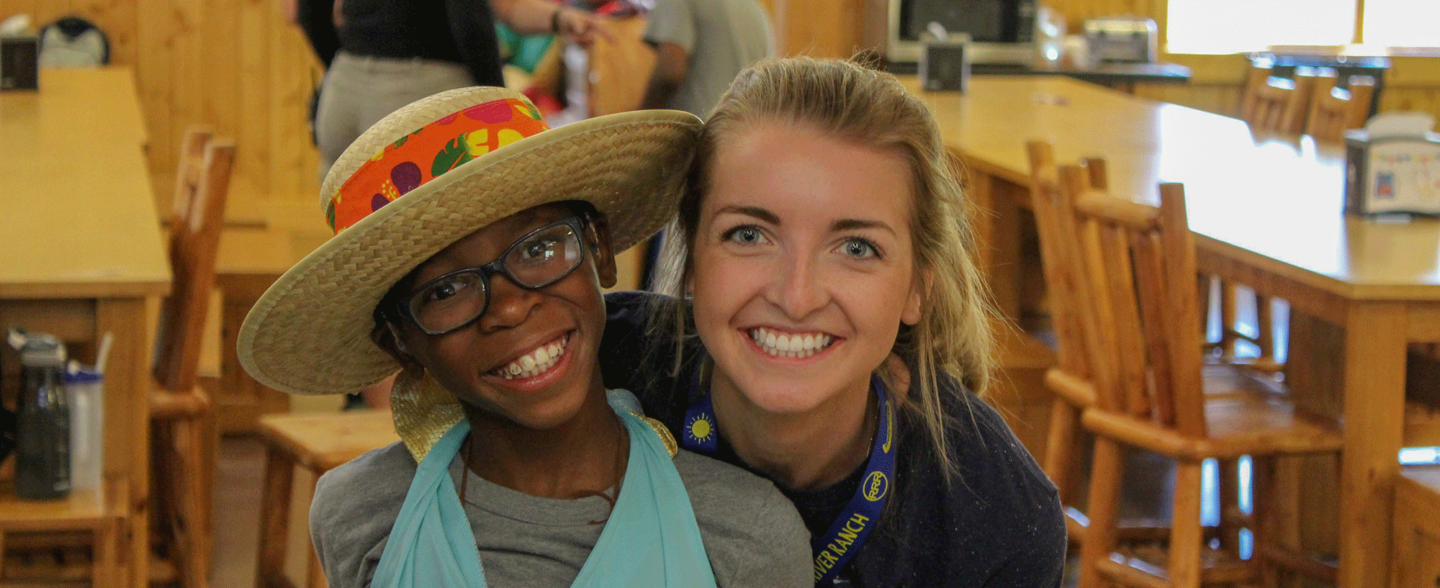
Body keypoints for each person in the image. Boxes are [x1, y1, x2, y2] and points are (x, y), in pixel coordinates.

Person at [236, 87, 810, 587]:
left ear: (600, 252)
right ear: (400, 344)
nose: (509, 307)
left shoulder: (741, 536)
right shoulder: (361, 514)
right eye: (446, 290)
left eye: (538, 250)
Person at [602, 57, 1068, 585]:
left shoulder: (996, 518)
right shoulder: (595, 376)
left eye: (856, 247)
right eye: (749, 235)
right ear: (689, 260)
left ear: (917, 287)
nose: (796, 298)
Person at [295, 0, 607, 182]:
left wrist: (557, 18)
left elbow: (308, 11)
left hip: (343, 94)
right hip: (418, 96)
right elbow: (469, 19)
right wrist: (501, 106)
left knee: (359, 258)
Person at [637, 0, 773, 119]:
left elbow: (669, 73)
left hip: (698, 136)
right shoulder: (756, 9)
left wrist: (640, 121)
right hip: (743, 135)